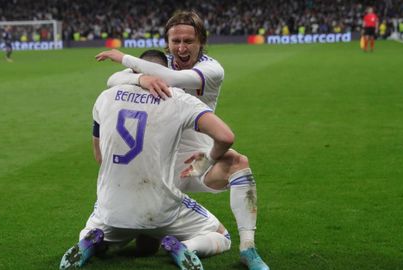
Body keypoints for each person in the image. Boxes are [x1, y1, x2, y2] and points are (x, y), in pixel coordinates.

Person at [95, 11, 269, 270]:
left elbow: (174, 80)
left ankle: (249, 249)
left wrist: (125, 58)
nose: (181, 47)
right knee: (145, 248)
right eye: (175, 41)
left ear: (201, 42)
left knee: (237, 162)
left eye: (188, 41)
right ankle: (147, 240)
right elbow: (114, 80)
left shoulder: (211, 69)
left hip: (196, 162)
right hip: (155, 163)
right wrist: (139, 78)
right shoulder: (157, 64)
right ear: (167, 42)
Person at [60, 50, 233, 270]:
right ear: (165, 72)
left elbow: (99, 156)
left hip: (111, 209)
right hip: (162, 210)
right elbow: (226, 137)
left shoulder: (105, 97)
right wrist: (206, 160)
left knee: (95, 231)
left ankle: (91, 243)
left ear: (132, 72)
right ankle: (187, 247)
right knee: (222, 236)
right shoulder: (179, 100)